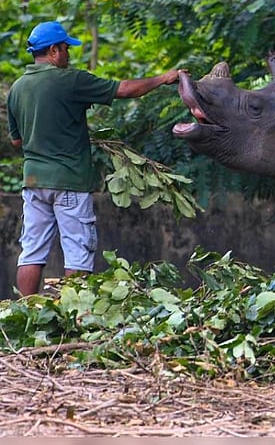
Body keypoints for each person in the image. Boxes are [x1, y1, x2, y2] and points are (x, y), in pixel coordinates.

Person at [6, 20, 187, 296]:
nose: (68, 55)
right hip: (69, 180)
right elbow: (125, 89)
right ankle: (71, 316)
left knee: (31, 250)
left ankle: (26, 312)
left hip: (33, 181)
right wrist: (164, 78)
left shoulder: (17, 88)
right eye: (66, 49)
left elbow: (17, 140)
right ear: (53, 50)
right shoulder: (71, 80)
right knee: (78, 250)